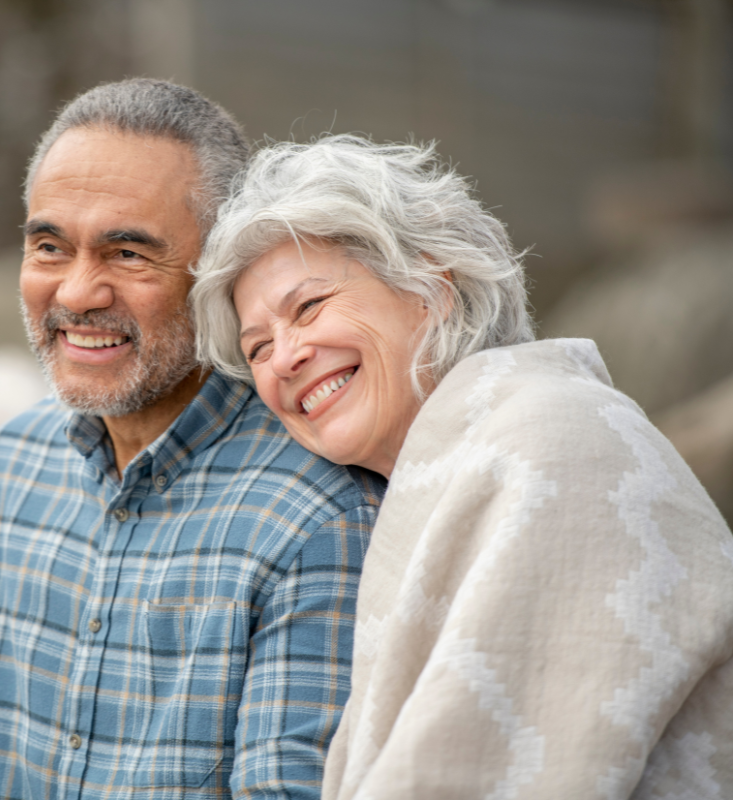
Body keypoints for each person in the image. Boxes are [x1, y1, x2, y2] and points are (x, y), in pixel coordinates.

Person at [0, 80, 386, 799]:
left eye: (128, 254)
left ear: (221, 273)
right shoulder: (11, 468)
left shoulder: (317, 516)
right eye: (50, 246)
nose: (77, 293)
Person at [191, 134, 733, 799]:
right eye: (257, 348)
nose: (284, 358)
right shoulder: (450, 461)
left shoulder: (554, 443)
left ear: (432, 287)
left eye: (307, 308)